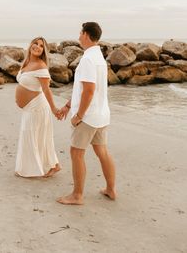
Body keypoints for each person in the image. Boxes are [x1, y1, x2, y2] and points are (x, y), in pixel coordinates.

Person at [57, 22, 116, 205]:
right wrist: (68, 105)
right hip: (101, 114)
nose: (78, 36)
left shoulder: (88, 59)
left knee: (76, 153)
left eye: (80, 32)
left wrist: (79, 116)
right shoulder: (99, 57)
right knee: (102, 152)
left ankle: (77, 195)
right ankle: (111, 190)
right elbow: (81, 89)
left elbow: (89, 90)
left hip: (88, 117)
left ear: (86, 35)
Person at [15, 37, 61, 178]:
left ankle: (51, 166)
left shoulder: (41, 66)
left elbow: (47, 90)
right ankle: (53, 165)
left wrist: (54, 109)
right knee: (34, 136)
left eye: (41, 46)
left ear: (43, 51)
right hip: (29, 108)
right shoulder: (27, 63)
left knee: (34, 136)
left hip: (37, 107)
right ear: (30, 45)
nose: (37, 47)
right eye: (35, 43)